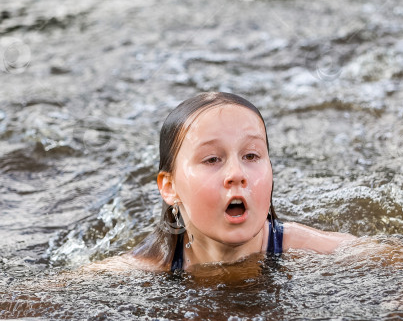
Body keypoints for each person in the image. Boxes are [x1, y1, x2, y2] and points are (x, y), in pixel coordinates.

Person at [129, 92, 355, 272]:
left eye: (251, 156)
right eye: (212, 159)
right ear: (170, 187)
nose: (237, 174)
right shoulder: (148, 268)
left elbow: (388, 258)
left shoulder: (307, 248)